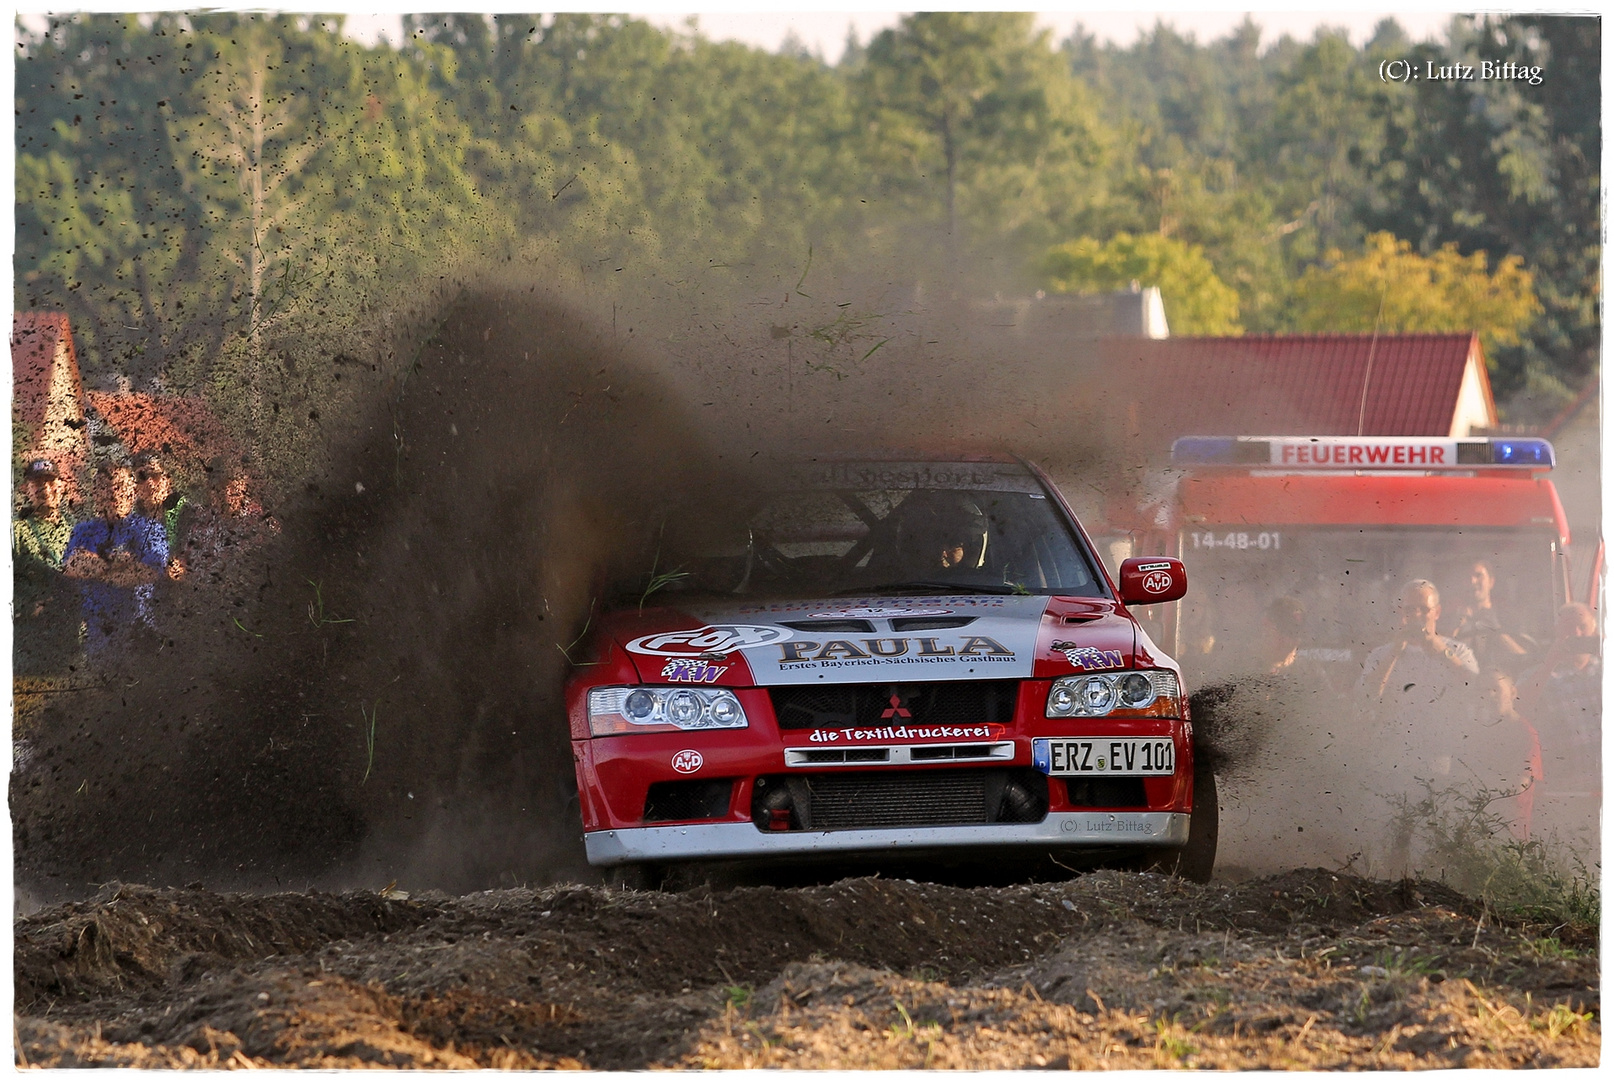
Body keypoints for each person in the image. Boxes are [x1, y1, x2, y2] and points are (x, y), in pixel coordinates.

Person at [62, 462, 169, 659]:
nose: (112, 492)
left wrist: (96, 570)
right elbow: (71, 565)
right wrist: (115, 562)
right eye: (104, 487)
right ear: (94, 493)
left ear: (132, 491)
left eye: (119, 486)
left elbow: (148, 572)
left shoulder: (150, 529)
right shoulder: (83, 531)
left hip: (138, 633)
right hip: (94, 635)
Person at [1517, 603, 1600, 843]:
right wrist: (1550, 662)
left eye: (1582, 627)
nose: (1576, 634)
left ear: (1595, 629)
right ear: (1556, 632)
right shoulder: (1541, 676)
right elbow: (1519, 707)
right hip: (1567, 787)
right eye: (1568, 628)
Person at [1356, 579, 1480, 716]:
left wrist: (1442, 651)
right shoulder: (1381, 655)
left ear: (1437, 612)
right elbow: (1365, 697)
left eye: (1424, 609)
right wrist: (1394, 653)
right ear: (1401, 611)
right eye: (1410, 609)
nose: (1416, 615)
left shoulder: (1458, 651)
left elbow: (1475, 689)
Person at [13, 459, 81, 673]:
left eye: (51, 482)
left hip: (69, 640)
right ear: (26, 489)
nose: (45, 489)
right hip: (29, 642)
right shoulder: (16, 531)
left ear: (61, 486)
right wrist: (28, 607)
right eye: (37, 483)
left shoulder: (77, 532)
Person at [1444, 560, 1531, 673]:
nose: (1473, 581)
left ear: (1491, 582)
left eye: (1478, 576)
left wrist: (1496, 629)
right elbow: (1441, 654)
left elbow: (1523, 656)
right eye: (1467, 577)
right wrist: (1457, 626)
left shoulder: (1508, 616)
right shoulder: (1453, 616)